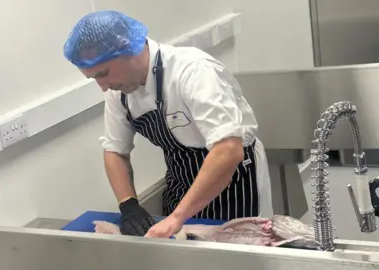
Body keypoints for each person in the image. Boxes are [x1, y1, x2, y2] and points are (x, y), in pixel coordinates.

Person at [63, 10, 273, 239]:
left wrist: (177, 217)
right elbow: (115, 151)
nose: (102, 86)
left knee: (236, 256)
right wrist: (128, 205)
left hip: (235, 181)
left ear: (128, 50)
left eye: (103, 73)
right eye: (93, 78)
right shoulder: (119, 92)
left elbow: (229, 149)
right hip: (180, 178)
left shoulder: (192, 71)